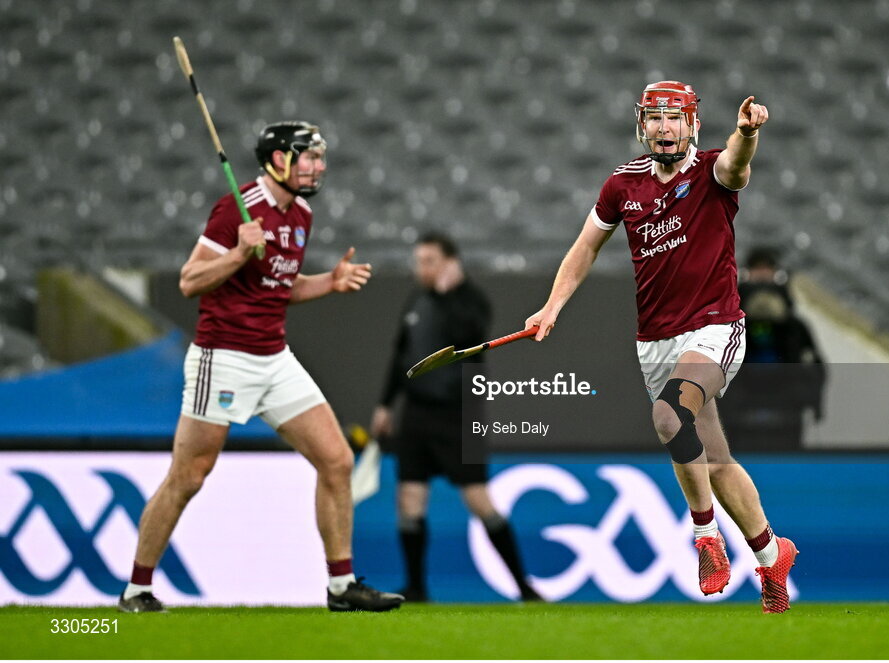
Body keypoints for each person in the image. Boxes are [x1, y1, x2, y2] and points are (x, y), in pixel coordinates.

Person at [526, 82, 798, 613]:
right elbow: (585, 247)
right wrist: (553, 305)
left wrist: (746, 133)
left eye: (676, 118)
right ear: (642, 124)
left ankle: (706, 539)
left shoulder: (713, 172)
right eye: (655, 118)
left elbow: (738, 166)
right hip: (654, 342)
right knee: (716, 463)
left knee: (670, 414)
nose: (665, 128)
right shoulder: (621, 186)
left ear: (693, 126)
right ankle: (771, 556)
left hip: (716, 328)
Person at [119, 121, 403, 613]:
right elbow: (190, 282)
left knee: (336, 460)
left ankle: (341, 586)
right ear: (277, 161)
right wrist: (236, 253)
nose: (318, 166)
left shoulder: (302, 214)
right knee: (189, 475)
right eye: (307, 156)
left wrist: (329, 283)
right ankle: (136, 589)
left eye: (319, 157)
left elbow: (281, 288)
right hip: (222, 356)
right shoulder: (236, 209)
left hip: (274, 357)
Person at [372, 232, 540, 602]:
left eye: (429, 261)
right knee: (409, 498)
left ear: (450, 262)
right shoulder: (416, 301)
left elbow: (470, 337)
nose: (422, 269)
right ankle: (416, 588)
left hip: (458, 415)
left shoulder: (470, 301)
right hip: (416, 412)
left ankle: (524, 587)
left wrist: (449, 296)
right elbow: (402, 356)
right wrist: (386, 405)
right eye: (419, 261)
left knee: (479, 500)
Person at [721, 247, 826, 451]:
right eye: (756, 269)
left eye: (767, 269)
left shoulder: (795, 327)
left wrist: (810, 401)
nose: (762, 275)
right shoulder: (728, 326)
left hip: (786, 413)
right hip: (739, 415)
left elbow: (814, 366)